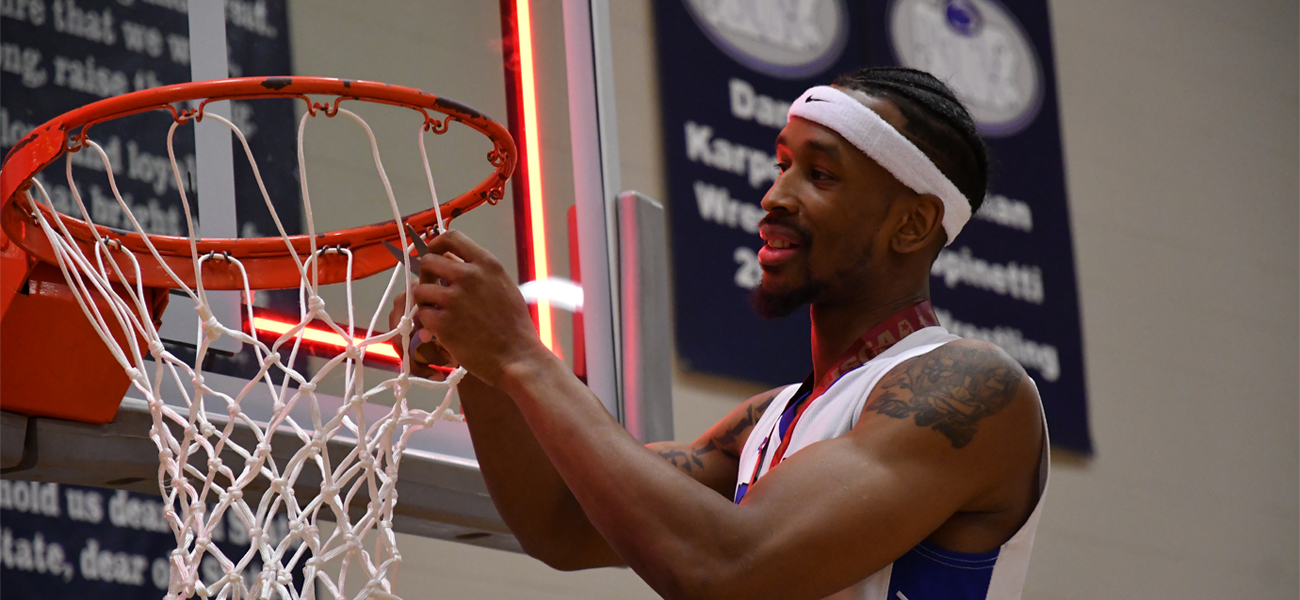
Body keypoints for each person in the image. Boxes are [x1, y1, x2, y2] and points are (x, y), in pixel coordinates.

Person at [390, 67, 1047, 599]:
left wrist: (523, 357)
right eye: (781, 163)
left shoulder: (972, 385)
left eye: (818, 174)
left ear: (909, 225)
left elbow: (727, 569)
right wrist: (484, 368)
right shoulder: (766, 423)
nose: (774, 196)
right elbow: (562, 523)